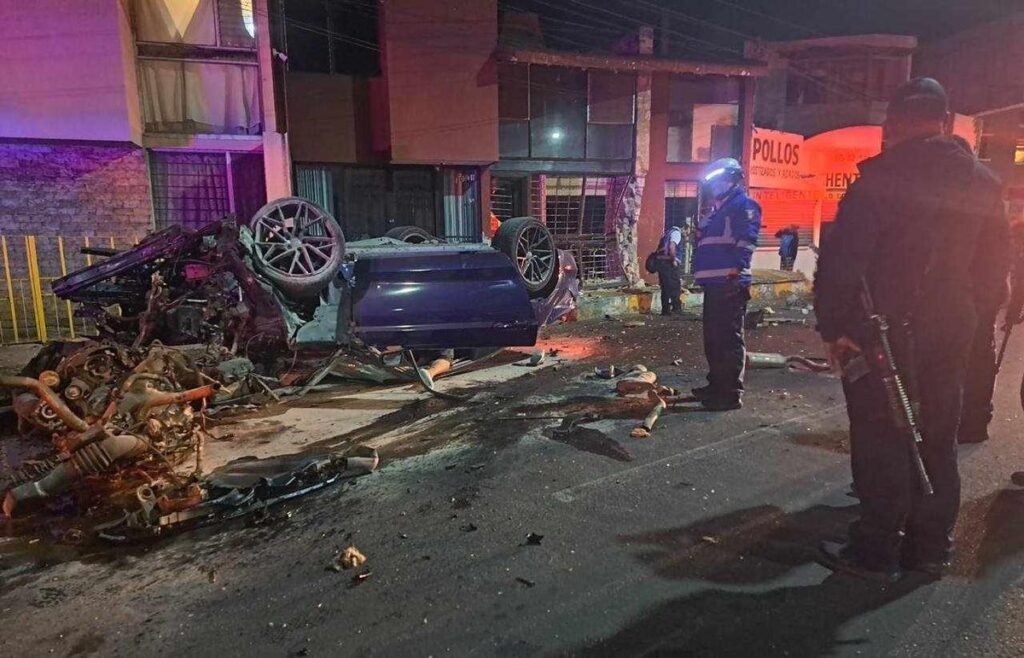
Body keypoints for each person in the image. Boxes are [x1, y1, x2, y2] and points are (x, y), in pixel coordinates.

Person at [814, 78, 1010, 581]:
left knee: (882, 435)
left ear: (894, 125)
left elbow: (841, 263)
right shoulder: (984, 182)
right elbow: (994, 269)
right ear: (945, 122)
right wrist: (974, 320)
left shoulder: (880, 179)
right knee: (938, 435)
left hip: (882, 332)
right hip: (953, 330)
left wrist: (836, 328)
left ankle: (876, 549)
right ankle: (931, 548)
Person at [691, 158, 762, 411]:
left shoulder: (744, 205)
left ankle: (730, 393)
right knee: (713, 339)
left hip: (730, 282)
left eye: (720, 180)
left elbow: (748, 239)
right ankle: (716, 386)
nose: (715, 186)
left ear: (733, 179)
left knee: (728, 340)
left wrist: (736, 268)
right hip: (714, 283)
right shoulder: (717, 211)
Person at [956, 136, 1009, 444]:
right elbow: (1001, 246)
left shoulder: (963, 191)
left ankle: (967, 417)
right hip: (984, 291)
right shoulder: (987, 189)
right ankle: (976, 418)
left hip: (967, 291)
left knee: (965, 356)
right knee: (979, 356)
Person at [656, 220, 684, 316]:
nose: (687, 234)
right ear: (685, 228)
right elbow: (672, 247)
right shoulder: (677, 233)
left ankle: (665, 310)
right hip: (670, 263)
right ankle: (676, 309)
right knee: (675, 287)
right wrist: (673, 260)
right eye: (688, 231)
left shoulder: (667, 233)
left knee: (665, 287)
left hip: (662, 263)